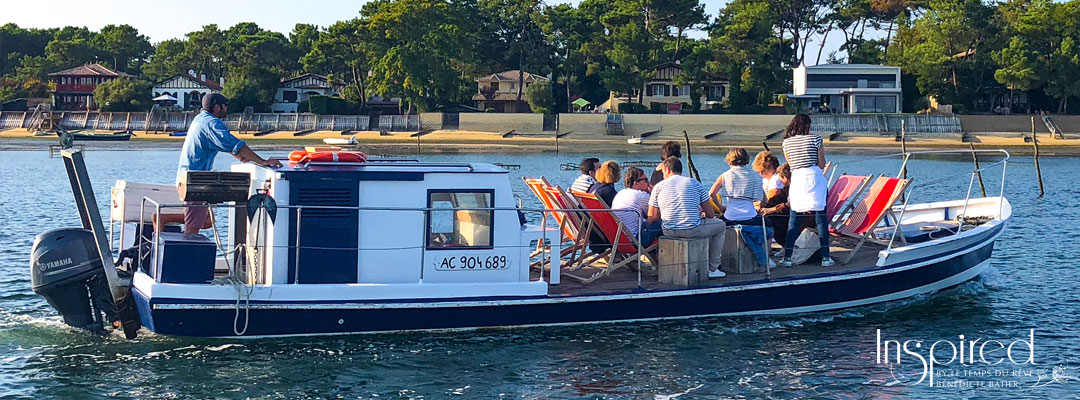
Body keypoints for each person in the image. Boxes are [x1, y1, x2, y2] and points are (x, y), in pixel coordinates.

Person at [176, 93, 281, 234]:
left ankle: (167, 223)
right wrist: (263, 161)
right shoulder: (212, 123)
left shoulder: (200, 119)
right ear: (217, 107)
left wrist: (241, 158)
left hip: (188, 179)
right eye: (225, 106)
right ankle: (186, 251)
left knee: (205, 220)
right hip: (193, 183)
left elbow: (223, 144)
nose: (227, 109)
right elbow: (237, 144)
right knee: (193, 228)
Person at [648, 157, 727, 278]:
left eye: (663, 172)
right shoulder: (694, 183)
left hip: (668, 230)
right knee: (721, 226)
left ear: (667, 170)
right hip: (691, 229)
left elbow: (652, 217)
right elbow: (711, 214)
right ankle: (712, 267)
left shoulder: (658, 187)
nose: (663, 175)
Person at [779, 114, 834, 267]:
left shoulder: (786, 143)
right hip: (814, 179)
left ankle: (787, 258)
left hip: (797, 180)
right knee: (821, 220)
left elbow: (791, 164)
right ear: (807, 126)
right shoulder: (816, 139)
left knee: (794, 220)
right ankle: (825, 258)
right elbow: (821, 164)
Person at [708, 148, 764, 225]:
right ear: (746, 159)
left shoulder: (725, 176)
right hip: (751, 216)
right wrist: (758, 207)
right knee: (769, 225)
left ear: (729, 160)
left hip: (730, 216)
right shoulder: (755, 176)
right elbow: (764, 200)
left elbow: (711, 194)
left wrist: (721, 208)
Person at [611, 167, 662, 246]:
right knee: (665, 222)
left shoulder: (620, 193)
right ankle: (658, 255)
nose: (648, 183)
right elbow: (654, 216)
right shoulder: (641, 196)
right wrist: (653, 194)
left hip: (619, 239)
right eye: (645, 180)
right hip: (636, 239)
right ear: (636, 183)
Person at [759, 163, 792, 251]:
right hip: (790, 212)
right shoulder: (787, 188)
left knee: (772, 220)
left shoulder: (794, 188)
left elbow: (790, 203)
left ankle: (786, 245)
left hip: (795, 216)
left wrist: (772, 209)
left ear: (785, 178)